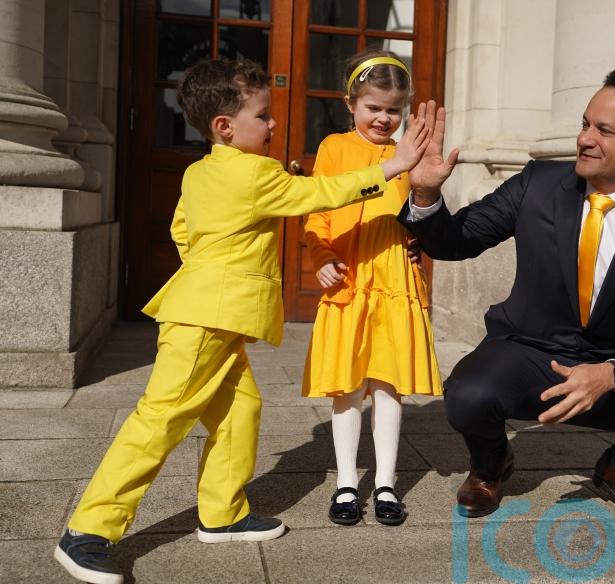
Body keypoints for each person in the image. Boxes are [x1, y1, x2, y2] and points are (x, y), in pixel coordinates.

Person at [54, 58, 430, 584]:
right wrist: (390, 167)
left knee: (240, 411)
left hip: (209, 312)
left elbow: (183, 232)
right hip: (206, 319)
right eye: (264, 116)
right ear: (225, 127)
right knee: (159, 419)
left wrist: (210, 272)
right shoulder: (256, 174)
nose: (275, 125)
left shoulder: (199, 170)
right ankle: (88, 531)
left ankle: (223, 515)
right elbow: (317, 195)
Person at [401, 70, 615, 532]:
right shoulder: (537, 183)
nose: (584, 139)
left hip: (614, 367)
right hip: (529, 352)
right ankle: (491, 462)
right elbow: (457, 240)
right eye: (584, 124)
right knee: (468, 395)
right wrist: (426, 193)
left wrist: (612, 373)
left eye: (604, 131)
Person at [302, 50, 442, 527]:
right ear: (351, 104)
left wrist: (420, 241)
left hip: (395, 281)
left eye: (393, 110)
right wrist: (320, 257)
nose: (384, 118)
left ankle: (385, 482)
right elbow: (316, 211)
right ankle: (346, 482)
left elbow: (419, 213)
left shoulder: (412, 155)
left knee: (389, 385)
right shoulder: (334, 148)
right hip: (349, 278)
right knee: (348, 385)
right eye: (373, 108)